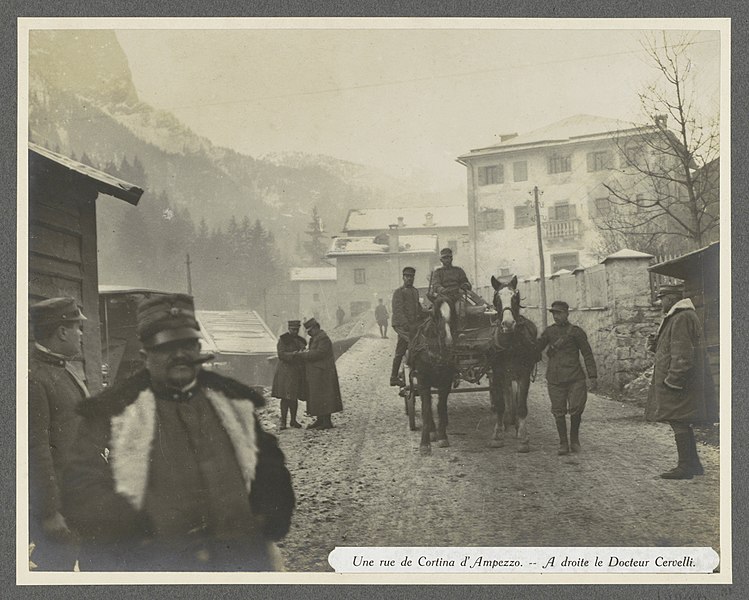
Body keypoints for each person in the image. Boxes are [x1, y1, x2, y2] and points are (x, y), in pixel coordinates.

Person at [62, 293, 295, 571]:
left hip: (236, 560)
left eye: (188, 344)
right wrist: (136, 531)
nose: (180, 355)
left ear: (199, 348)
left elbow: (269, 466)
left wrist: (267, 516)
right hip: (155, 566)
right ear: (145, 356)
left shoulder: (233, 404)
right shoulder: (111, 413)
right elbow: (81, 489)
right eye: (167, 347)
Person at [28, 297, 89, 571]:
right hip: (57, 508)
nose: (81, 334)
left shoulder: (65, 370)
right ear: (62, 331)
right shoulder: (34, 379)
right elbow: (35, 450)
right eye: (78, 327)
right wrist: (49, 511)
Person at [646, 283, 717, 480]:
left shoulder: (681, 317)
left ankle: (685, 466)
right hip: (682, 381)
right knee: (681, 420)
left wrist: (673, 380)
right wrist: (655, 345)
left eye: (662, 299)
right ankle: (693, 464)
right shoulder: (680, 317)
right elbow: (673, 349)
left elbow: (683, 355)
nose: (661, 303)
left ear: (671, 298)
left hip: (680, 383)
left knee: (679, 420)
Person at [536, 300, 598, 456]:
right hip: (555, 379)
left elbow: (587, 353)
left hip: (575, 377)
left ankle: (574, 440)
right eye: (554, 313)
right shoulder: (549, 332)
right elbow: (536, 348)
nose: (556, 316)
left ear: (567, 313)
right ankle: (563, 443)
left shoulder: (576, 332)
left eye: (559, 313)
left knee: (576, 409)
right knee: (558, 411)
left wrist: (592, 375)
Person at [295, 318, 343, 430]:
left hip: (323, 373)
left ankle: (327, 422)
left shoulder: (323, 338)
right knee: (317, 396)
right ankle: (320, 419)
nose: (309, 333)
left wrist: (305, 354)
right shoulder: (316, 338)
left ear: (316, 328)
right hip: (317, 372)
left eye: (310, 331)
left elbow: (319, 353)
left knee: (324, 396)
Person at [390, 266, 426, 386]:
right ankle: (393, 377)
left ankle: (416, 367)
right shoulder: (398, 292)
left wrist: (429, 312)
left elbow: (418, 308)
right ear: (403, 277)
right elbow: (398, 310)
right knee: (409, 344)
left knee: (415, 343)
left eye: (411, 277)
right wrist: (407, 324)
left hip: (412, 325)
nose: (409, 279)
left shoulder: (415, 291)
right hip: (401, 325)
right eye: (407, 276)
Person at [271, 320, 307, 429]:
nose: (295, 331)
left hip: (296, 372)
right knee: (285, 398)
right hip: (285, 372)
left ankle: (293, 420)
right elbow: (281, 354)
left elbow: (304, 353)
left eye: (297, 329)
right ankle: (283, 422)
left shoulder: (301, 341)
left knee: (294, 397)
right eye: (293, 329)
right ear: (289, 329)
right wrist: (295, 354)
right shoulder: (283, 339)